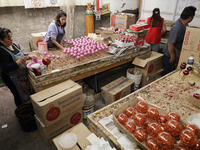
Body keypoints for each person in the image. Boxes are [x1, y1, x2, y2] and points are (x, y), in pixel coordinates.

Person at [0, 27, 33, 107]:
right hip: (12, 79)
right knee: (18, 95)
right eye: (8, 38)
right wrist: (20, 61)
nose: (11, 40)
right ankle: (21, 110)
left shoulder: (13, 45)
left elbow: (20, 55)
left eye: (11, 37)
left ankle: (29, 107)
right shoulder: (2, 51)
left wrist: (28, 56)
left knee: (26, 93)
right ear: (1, 40)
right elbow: (6, 67)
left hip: (21, 76)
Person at [163, 6, 196, 76]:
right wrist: (172, 57)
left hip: (177, 52)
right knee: (167, 73)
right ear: (190, 17)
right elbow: (170, 44)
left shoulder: (185, 25)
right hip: (170, 54)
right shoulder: (177, 27)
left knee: (173, 73)